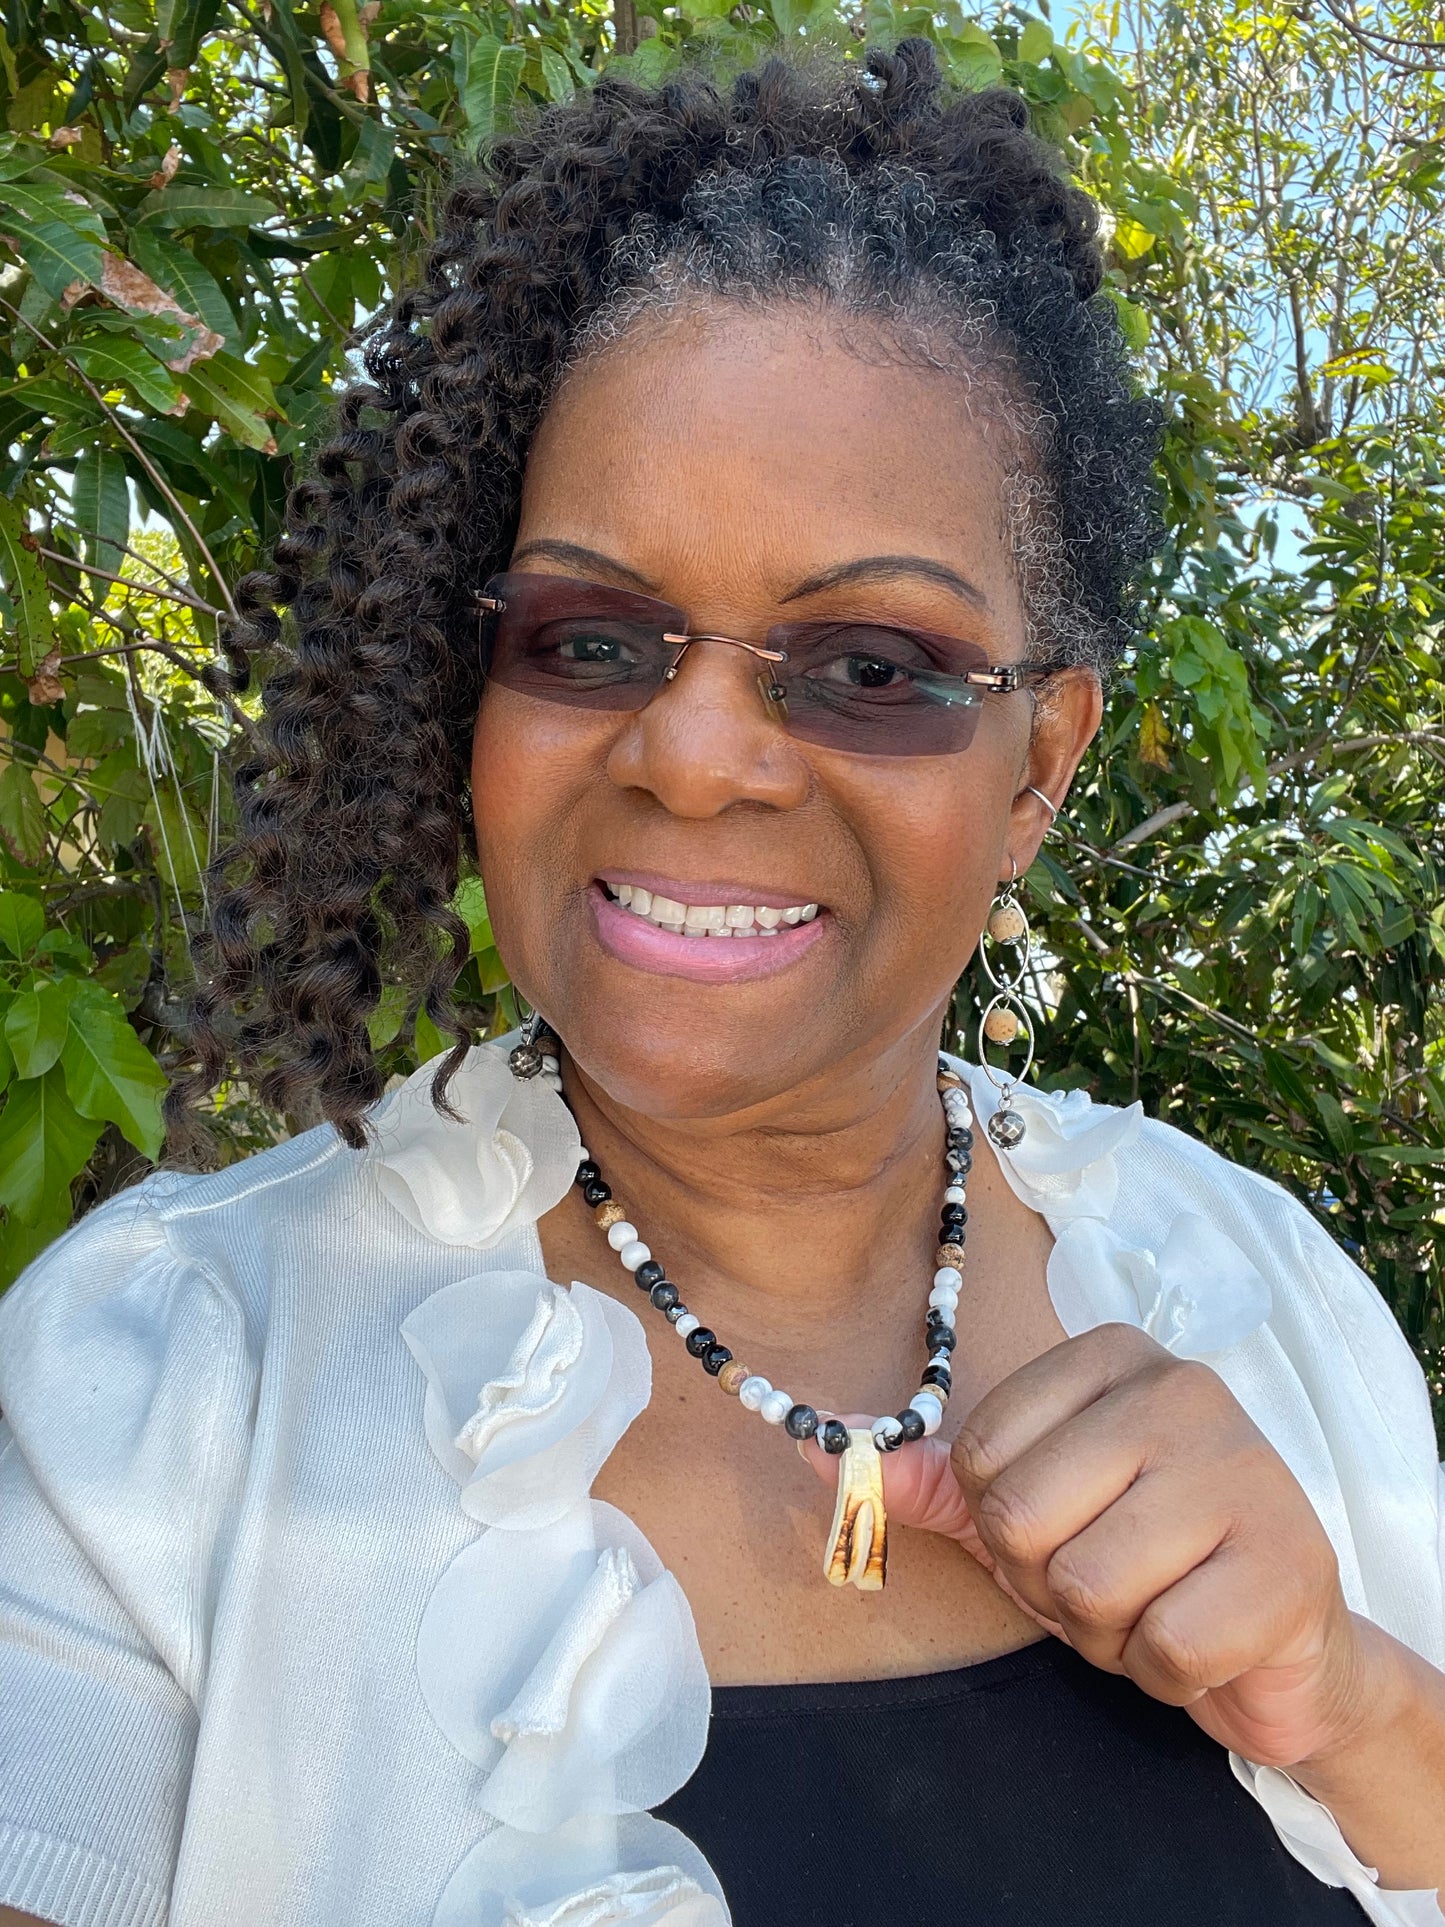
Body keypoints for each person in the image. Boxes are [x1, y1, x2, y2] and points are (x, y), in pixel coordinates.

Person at [0, 40, 1441, 1927]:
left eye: (867, 665)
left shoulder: (1263, 1296)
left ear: (1042, 763)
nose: (691, 757)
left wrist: (1342, 1699)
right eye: (590, 635)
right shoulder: (161, 1390)